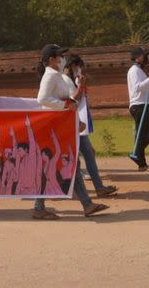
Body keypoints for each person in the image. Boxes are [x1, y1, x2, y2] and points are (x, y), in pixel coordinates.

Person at [32, 44, 108, 220]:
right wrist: (66, 106)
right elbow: (42, 99)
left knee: (64, 164)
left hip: (59, 126)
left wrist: (76, 120)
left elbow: (68, 101)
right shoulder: (50, 76)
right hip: (52, 128)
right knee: (67, 164)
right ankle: (85, 204)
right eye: (59, 56)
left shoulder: (55, 75)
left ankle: (83, 204)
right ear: (51, 59)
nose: (62, 60)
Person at [64, 54, 117, 197]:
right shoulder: (66, 80)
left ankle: (97, 187)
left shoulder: (71, 80)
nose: (80, 69)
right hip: (71, 122)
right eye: (78, 66)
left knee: (87, 153)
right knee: (75, 157)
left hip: (76, 121)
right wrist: (81, 86)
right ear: (73, 66)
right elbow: (71, 100)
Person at [127, 46, 149, 172]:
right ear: (137, 57)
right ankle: (138, 155)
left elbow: (145, 89)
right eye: (144, 55)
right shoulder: (134, 71)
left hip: (144, 105)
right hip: (139, 105)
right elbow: (137, 88)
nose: (146, 57)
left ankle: (140, 161)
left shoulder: (140, 71)